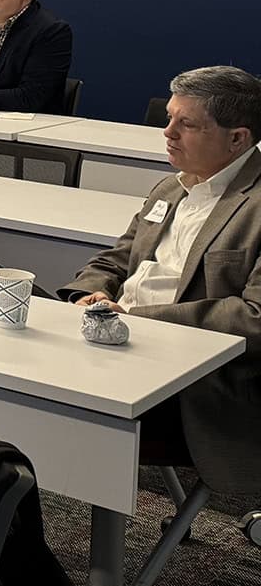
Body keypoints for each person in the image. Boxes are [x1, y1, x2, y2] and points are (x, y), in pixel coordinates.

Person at [58, 67, 261, 501]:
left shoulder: (256, 206)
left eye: (186, 124)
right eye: (169, 118)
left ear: (238, 139)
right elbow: (116, 258)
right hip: (111, 343)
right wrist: (93, 293)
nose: (166, 133)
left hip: (188, 383)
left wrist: (135, 318)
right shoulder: (171, 186)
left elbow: (253, 318)